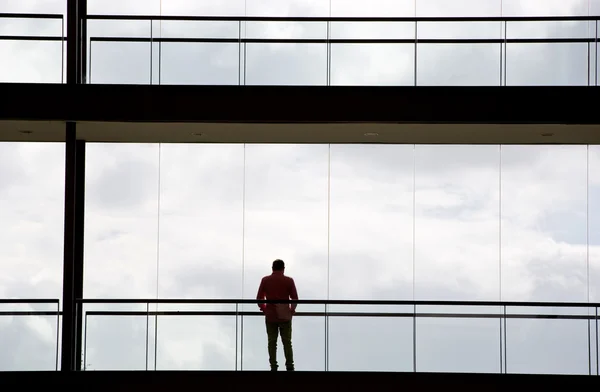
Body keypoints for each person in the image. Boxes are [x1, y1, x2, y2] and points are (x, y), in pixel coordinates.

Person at [256, 259, 299, 371]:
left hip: (271, 315)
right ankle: (290, 365)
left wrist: (264, 309)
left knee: (272, 341)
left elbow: (259, 298)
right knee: (287, 342)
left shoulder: (265, 280)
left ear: (272, 268)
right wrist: (291, 310)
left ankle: (273, 366)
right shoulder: (289, 281)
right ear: (283, 269)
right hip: (285, 315)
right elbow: (295, 299)